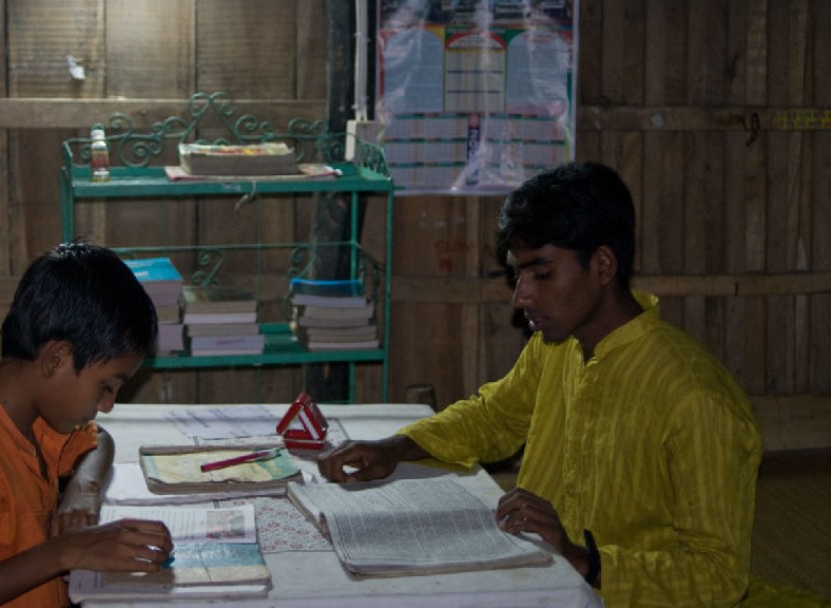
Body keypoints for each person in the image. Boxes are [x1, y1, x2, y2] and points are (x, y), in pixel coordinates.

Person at [319, 161, 762, 607]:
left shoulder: (697, 399)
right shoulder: (558, 345)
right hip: (542, 579)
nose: (522, 297)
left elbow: (720, 576)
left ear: (603, 265)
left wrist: (584, 560)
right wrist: (396, 448)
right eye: (517, 276)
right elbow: (494, 417)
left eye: (541, 274)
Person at [0, 243, 174, 608]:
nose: (106, 405)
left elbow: (98, 441)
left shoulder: (35, 424)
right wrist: (62, 553)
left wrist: (84, 488)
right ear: (57, 358)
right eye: (106, 387)